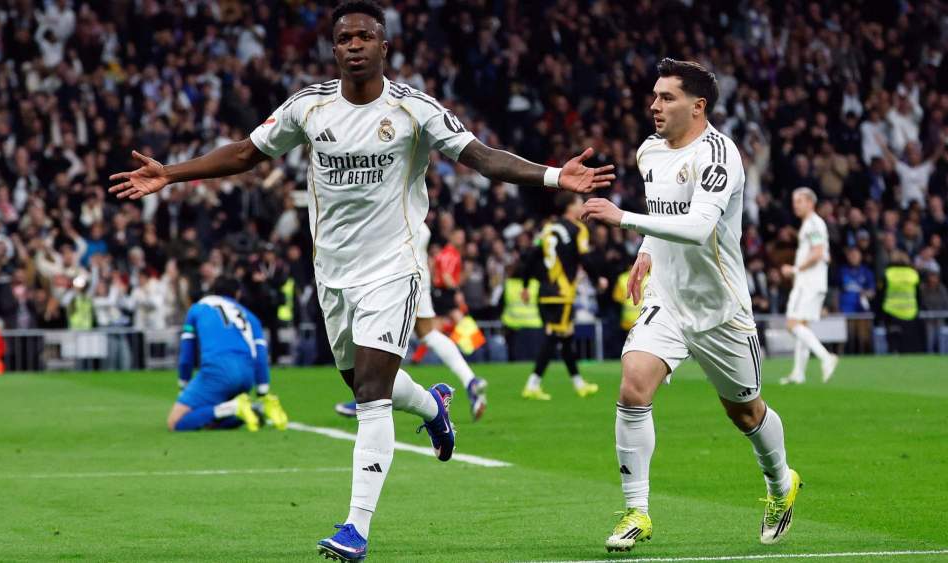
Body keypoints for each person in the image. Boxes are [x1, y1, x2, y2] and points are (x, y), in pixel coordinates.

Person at [107, 2, 614, 559]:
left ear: (383, 47)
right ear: (333, 49)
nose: (354, 45)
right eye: (344, 37)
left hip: (392, 268)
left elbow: (484, 158)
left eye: (364, 37)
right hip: (332, 272)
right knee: (363, 383)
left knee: (372, 394)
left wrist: (553, 176)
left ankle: (355, 527)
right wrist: (171, 174)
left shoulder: (414, 109)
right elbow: (246, 153)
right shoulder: (308, 107)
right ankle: (433, 407)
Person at [571, 58, 802, 551]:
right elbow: (663, 215)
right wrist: (646, 251)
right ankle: (637, 511)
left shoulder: (719, 155)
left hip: (720, 309)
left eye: (667, 97)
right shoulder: (649, 151)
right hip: (668, 300)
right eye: (654, 96)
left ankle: (781, 482)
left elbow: (698, 227)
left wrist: (623, 220)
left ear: (697, 107)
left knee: (745, 412)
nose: (654, 105)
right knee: (634, 384)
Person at [335, 223, 490, 421]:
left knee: (382, 337)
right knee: (428, 334)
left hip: (401, 276)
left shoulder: (399, 213)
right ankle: (470, 381)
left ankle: (370, 396)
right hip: (417, 273)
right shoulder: (416, 217)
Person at [168, 276, 288, 433]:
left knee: (175, 421)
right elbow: (261, 356)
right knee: (212, 423)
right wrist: (262, 392)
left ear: (213, 291)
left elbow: (186, 355)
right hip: (246, 376)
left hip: (217, 372)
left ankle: (234, 407)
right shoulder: (250, 317)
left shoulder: (197, 308)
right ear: (238, 293)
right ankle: (253, 408)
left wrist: (183, 385)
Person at [520, 192, 604, 400]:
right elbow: (585, 258)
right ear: (570, 207)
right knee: (554, 337)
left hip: (544, 292)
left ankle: (579, 384)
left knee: (566, 338)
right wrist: (597, 280)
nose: (582, 207)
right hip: (562, 294)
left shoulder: (547, 229)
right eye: (579, 203)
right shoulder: (578, 229)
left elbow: (531, 257)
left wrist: (525, 285)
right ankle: (532, 384)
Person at [780, 188, 839, 384]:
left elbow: (818, 252)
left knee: (792, 324)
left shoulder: (813, 223)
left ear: (811, 203)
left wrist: (795, 269)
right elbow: (823, 253)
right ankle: (798, 373)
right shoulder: (812, 224)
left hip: (808, 282)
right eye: (794, 201)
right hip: (815, 282)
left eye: (800, 201)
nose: (795, 205)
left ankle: (826, 357)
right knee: (802, 325)